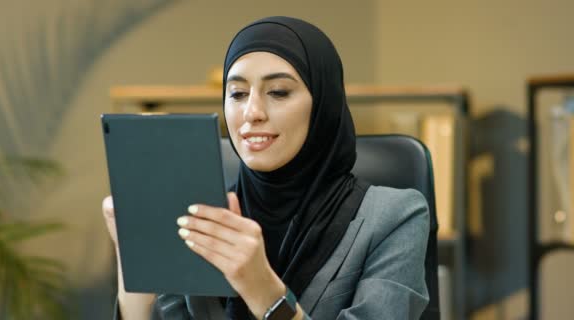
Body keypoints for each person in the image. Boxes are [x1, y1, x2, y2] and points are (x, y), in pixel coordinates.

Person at [103, 16, 430, 320]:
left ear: (323, 104)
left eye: (278, 92)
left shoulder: (395, 217)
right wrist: (131, 254)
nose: (252, 112)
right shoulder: (205, 214)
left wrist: (263, 290)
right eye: (238, 93)